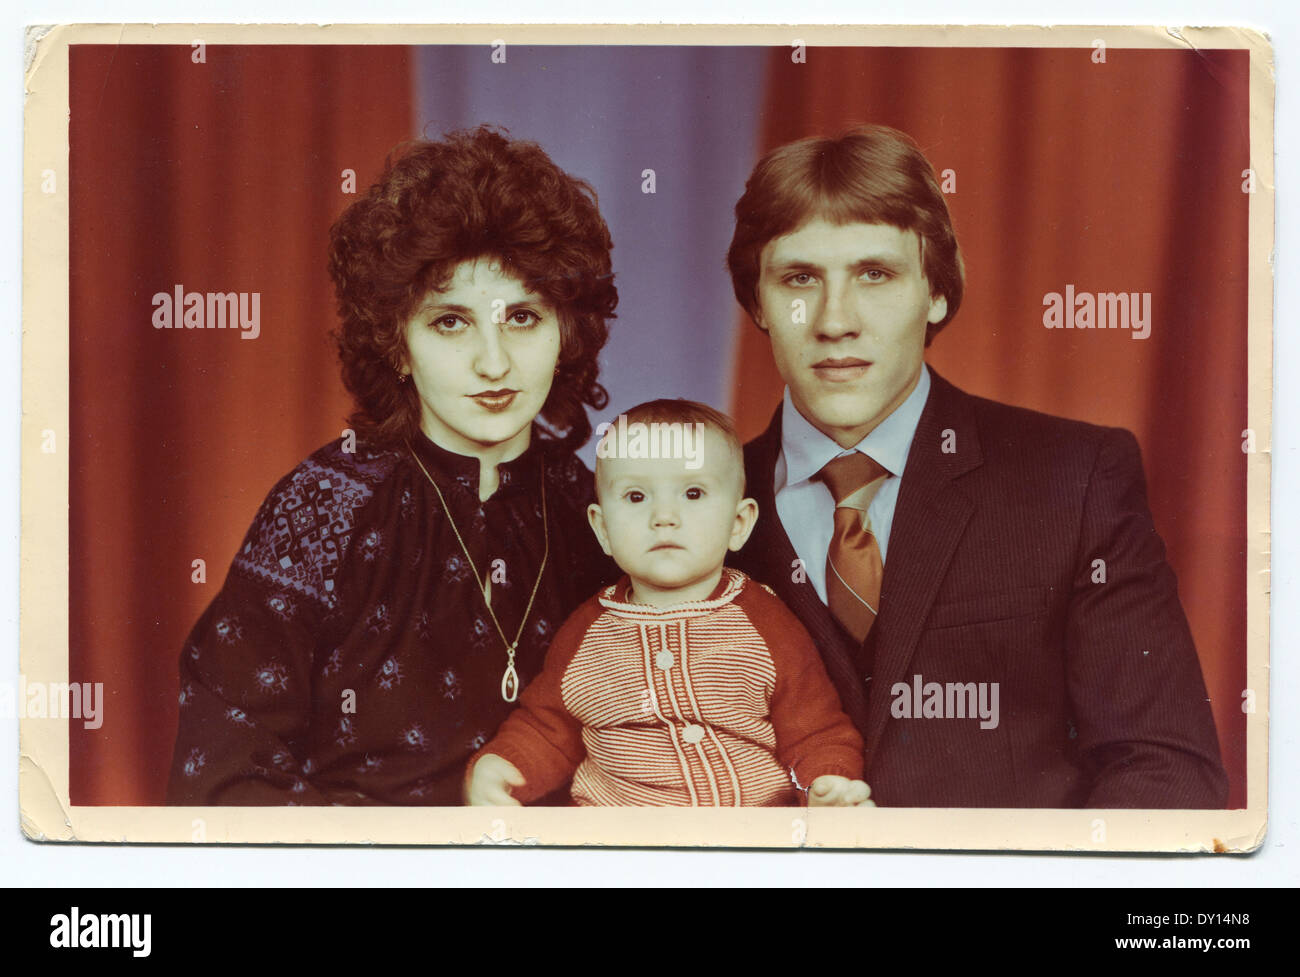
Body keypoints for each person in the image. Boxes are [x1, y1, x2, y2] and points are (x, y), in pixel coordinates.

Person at [725, 124, 1229, 808]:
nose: (834, 319)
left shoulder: (1074, 477)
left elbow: (1166, 771)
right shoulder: (684, 504)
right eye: (799, 278)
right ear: (758, 302)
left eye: (875, 274)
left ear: (936, 291)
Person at [166, 126, 618, 805]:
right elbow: (223, 777)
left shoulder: (603, 514)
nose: (493, 363)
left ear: (566, 333)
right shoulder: (324, 506)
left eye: (523, 317)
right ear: (396, 345)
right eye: (450, 322)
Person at [464, 400, 872, 807]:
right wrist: (503, 766)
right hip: (618, 842)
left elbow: (815, 731)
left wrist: (826, 785)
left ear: (738, 524)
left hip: (748, 841)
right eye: (636, 496)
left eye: (692, 493)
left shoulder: (766, 625)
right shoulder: (586, 636)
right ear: (603, 528)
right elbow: (546, 728)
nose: (664, 516)